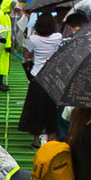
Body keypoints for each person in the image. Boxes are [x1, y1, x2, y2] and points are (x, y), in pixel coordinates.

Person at [17, 11, 68, 142]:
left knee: (36, 108)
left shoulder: (34, 39)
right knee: (51, 109)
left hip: (37, 77)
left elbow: (28, 53)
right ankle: (51, 139)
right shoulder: (58, 36)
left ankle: (36, 141)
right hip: (52, 76)